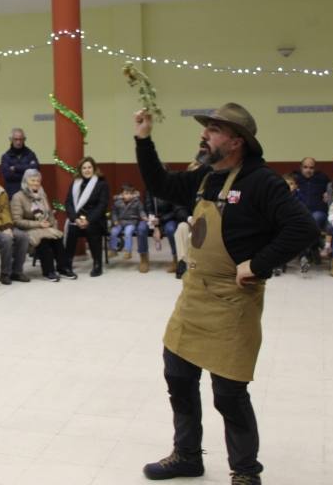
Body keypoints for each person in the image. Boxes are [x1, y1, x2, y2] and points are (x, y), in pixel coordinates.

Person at [135, 103, 317, 485]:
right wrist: (143, 139)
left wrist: (259, 264)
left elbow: (302, 228)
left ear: (237, 141)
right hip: (193, 298)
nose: (204, 135)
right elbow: (161, 186)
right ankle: (187, 456)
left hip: (234, 302)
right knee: (178, 378)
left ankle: (246, 472)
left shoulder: (260, 181)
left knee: (229, 394)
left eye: (214, 130)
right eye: (207, 129)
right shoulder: (205, 176)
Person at [10, 169, 71, 281]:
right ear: (25, 181)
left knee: (58, 238)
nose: (36, 183)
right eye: (32, 180)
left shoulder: (42, 195)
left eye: (38, 181)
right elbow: (17, 221)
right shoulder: (18, 197)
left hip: (44, 226)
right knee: (44, 240)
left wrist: (52, 225)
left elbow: (50, 214)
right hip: (29, 228)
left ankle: (63, 268)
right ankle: (49, 271)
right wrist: (38, 224)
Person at [63, 157, 110, 277]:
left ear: (94, 168)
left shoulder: (101, 184)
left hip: (95, 219)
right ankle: (67, 265)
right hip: (78, 218)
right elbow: (68, 203)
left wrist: (88, 220)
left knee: (91, 229)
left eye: (89, 167)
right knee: (72, 229)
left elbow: (102, 206)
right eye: (84, 168)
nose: (87, 170)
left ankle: (97, 264)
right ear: (80, 170)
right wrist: (75, 219)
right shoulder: (75, 183)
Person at [142, 193, 189, 274]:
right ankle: (143, 259)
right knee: (141, 228)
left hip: (168, 218)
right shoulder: (149, 190)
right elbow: (148, 208)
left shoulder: (171, 189)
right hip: (153, 220)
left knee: (171, 229)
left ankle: (176, 259)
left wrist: (160, 220)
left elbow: (175, 211)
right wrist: (155, 226)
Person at [109, 184, 146, 260]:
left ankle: (128, 251)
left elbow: (141, 210)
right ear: (122, 194)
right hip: (120, 222)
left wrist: (143, 216)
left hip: (131, 222)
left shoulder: (137, 202)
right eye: (126, 193)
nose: (128, 196)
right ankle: (113, 249)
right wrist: (115, 220)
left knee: (128, 232)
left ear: (133, 194)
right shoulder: (117, 202)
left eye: (130, 194)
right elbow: (114, 212)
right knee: (113, 232)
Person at [0, 128, 40, 198]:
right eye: (16, 139)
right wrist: (27, 173)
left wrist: (16, 168)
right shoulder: (6, 157)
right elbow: (8, 176)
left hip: (29, 193)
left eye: (20, 139)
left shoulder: (30, 154)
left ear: (24, 139)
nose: (18, 142)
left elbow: (35, 170)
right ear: (11, 139)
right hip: (13, 194)